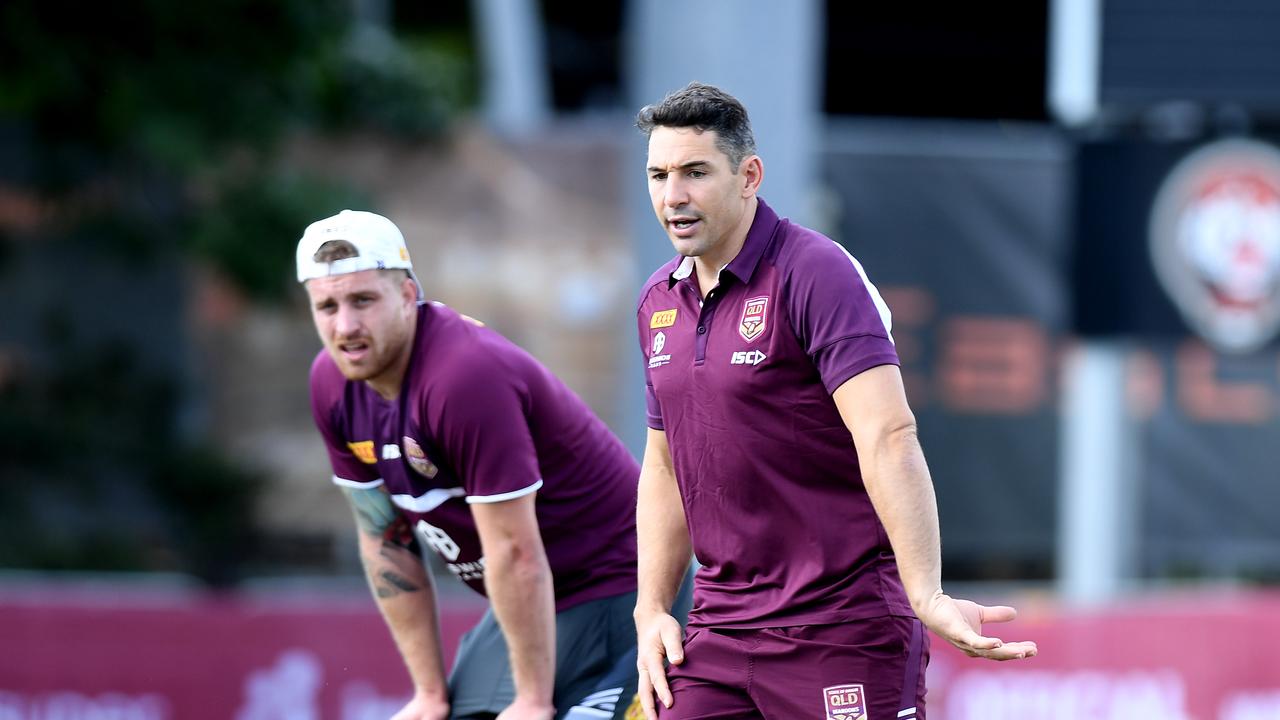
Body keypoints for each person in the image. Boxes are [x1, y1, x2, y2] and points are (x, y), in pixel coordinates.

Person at [631, 82, 1038, 720]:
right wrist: (652, 608)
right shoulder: (658, 299)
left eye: (694, 172)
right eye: (658, 175)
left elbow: (888, 436)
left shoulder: (816, 273)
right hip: (716, 631)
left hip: (842, 629)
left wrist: (924, 591)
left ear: (749, 176)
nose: (672, 196)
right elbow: (663, 465)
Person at [297, 210, 643, 720]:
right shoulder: (331, 383)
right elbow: (383, 539)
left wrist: (532, 701)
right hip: (530, 600)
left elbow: (515, 552)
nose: (345, 326)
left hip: (620, 580)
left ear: (408, 295)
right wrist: (428, 693)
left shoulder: (461, 377)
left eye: (363, 300)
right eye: (326, 306)